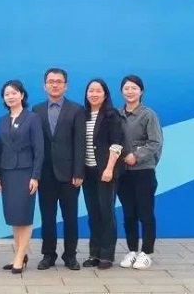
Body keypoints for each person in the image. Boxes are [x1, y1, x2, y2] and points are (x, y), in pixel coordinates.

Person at [31, 68, 86, 270]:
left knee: (70, 217)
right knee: (47, 217)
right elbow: (35, 144)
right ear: (44, 85)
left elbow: (80, 143)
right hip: (45, 174)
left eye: (59, 81)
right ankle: (48, 254)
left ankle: (70, 255)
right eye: (51, 81)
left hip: (70, 174)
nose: (55, 84)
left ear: (66, 85)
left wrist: (79, 171)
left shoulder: (77, 109)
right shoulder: (36, 110)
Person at [0, 79, 45, 274]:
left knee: (24, 214)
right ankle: (20, 255)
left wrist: (35, 176)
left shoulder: (32, 118)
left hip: (26, 172)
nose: (10, 97)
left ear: (22, 95)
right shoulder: (2, 120)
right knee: (14, 216)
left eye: (14, 93)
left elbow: (39, 149)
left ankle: (19, 256)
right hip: (7, 172)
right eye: (7, 94)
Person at [117, 74, 164, 270]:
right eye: (126, 88)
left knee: (145, 213)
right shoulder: (117, 114)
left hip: (143, 171)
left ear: (141, 91)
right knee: (129, 214)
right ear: (121, 91)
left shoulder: (148, 115)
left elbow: (155, 142)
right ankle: (132, 250)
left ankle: (146, 252)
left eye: (134, 88)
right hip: (123, 173)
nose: (130, 91)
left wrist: (136, 156)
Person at [80, 78, 124, 270]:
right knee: (93, 213)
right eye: (91, 90)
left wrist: (109, 168)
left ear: (105, 94)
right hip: (87, 172)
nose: (94, 94)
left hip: (105, 172)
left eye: (98, 91)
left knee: (106, 212)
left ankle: (107, 255)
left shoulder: (111, 115)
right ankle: (94, 253)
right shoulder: (82, 115)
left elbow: (117, 143)